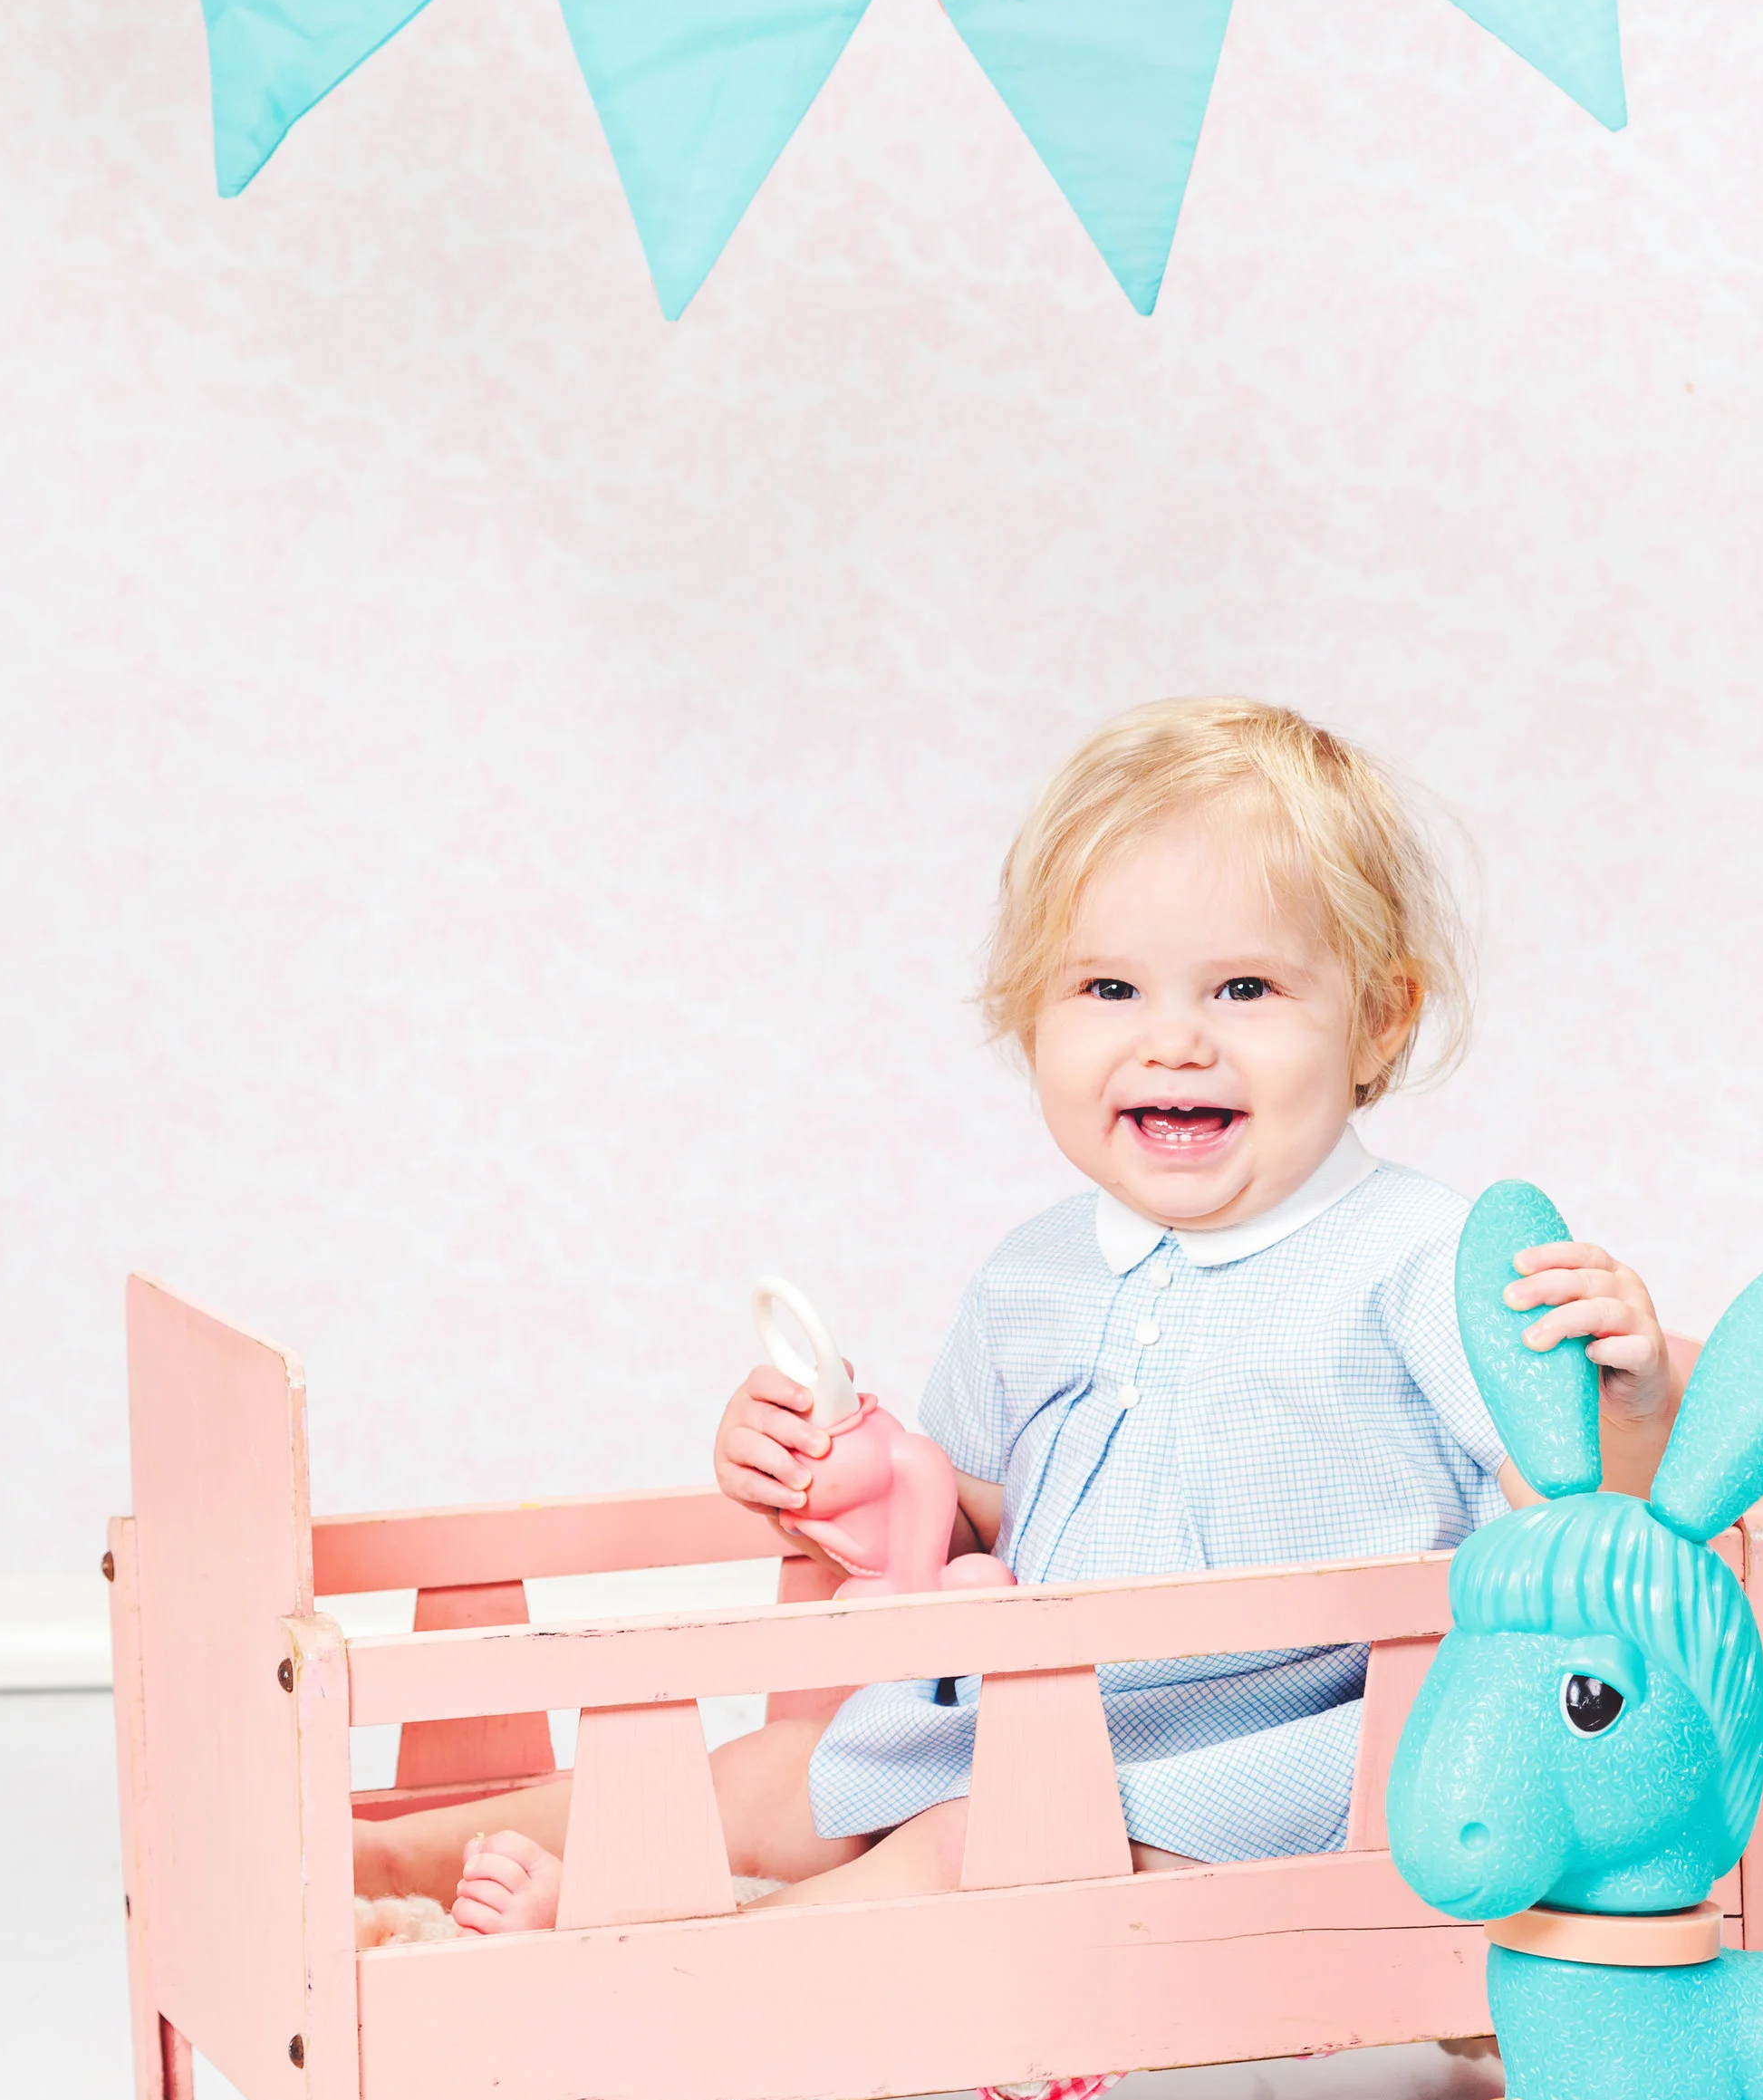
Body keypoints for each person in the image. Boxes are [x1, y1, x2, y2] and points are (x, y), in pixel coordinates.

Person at [355, 698, 1690, 1933]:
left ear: (1380, 1022)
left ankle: (676, 1954)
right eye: (1110, 990)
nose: (1174, 1040)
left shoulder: (1421, 1258)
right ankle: (397, 1856)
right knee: (784, 1770)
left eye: (1244, 990)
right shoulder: (1037, 1271)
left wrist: (1627, 1406)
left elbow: (1581, 1519)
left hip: (1282, 1759)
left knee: (970, 1851)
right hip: (1025, 1709)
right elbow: (978, 1528)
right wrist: (843, 1479)